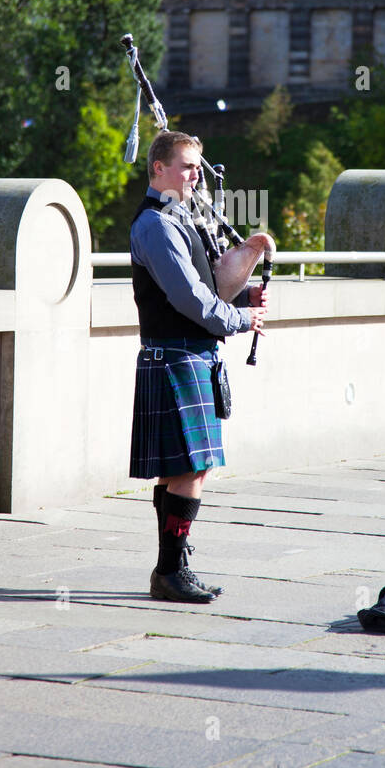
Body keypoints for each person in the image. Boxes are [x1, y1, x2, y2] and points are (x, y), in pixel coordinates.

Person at [129, 130, 269, 603]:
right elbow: (188, 298)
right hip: (175, 356)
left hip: (186, 355)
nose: (195, 175)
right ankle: (170, 572)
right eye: (187, 165)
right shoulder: (157, 225)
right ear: (159, 168)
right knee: (192, 469)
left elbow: (204, 287)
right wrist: (241, 319)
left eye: (197, 167)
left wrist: (242, 291)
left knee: (183, 471)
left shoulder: (179, 219)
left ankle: (172, 566)